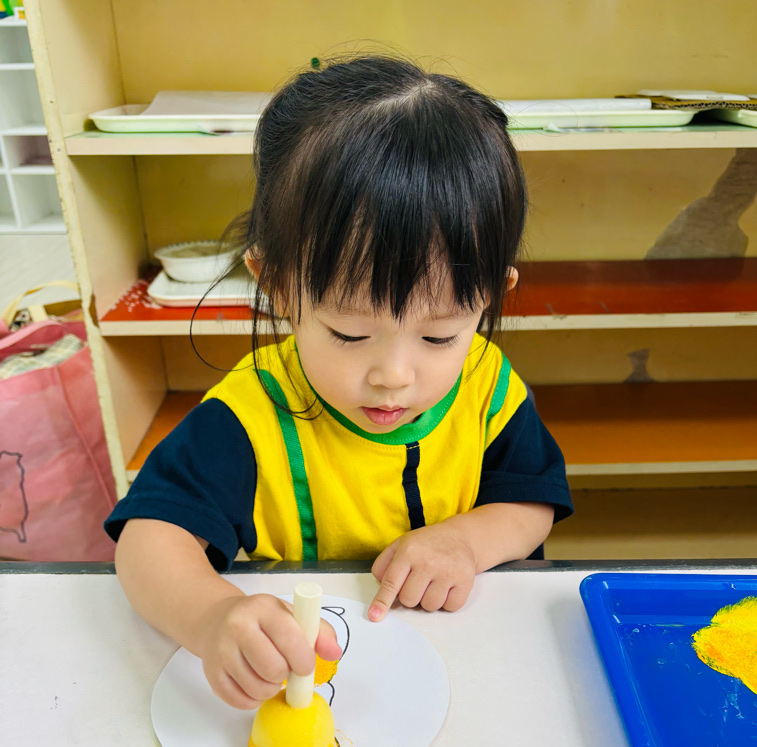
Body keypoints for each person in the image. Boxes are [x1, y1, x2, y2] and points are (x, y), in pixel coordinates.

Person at [106, 55, 573, 711]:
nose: (393, 377)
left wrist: (467, 542)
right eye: (350, 334)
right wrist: (211, 617)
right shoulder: (248, 416)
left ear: (492, 295)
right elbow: (148, 541)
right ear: (278, 287)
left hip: (467, 677)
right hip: (308, 685)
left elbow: (531, 500)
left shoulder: (487, 385)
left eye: (439, 336)